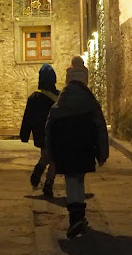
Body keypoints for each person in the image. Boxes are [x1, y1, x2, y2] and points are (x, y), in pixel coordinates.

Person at [45, 55, 109, 238]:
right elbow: (100, 127)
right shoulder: (90, 102)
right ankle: (78, 217)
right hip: (85, 146)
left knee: (71, 180)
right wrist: (102, 153)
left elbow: (49, 127)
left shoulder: (61, 102)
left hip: (65, 147)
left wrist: (50, 153)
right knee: (79, 179)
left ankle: (76, 217)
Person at [20, 63, 59, 198]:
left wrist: (25, 134)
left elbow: (28, 117)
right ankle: (49, 181)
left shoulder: (34, 98)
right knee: (55, 158)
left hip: (40, 133)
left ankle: (40, 168)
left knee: (47, 154)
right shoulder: (59, 97)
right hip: (55, 132)